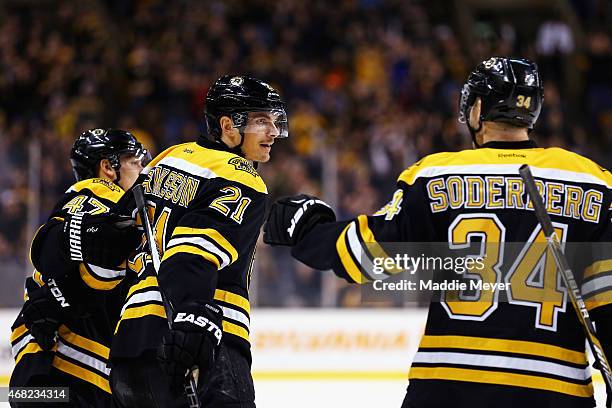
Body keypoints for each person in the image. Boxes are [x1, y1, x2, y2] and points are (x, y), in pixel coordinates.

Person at [264, 57, 612, 408]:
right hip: (553, 392)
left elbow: (366, 256)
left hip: (447, 389)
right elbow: (607, 302)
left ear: (477, 109)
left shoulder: (435, 175)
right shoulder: (594, 182)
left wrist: (307, 230)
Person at [109, 75, 288, 407]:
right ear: (228, 125)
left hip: (128, 351)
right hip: (199, 346)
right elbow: (191, 255)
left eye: (275, 122)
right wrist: (193, 316)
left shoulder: (168, 157)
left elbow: (112, 236)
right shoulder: (240, 178)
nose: (273, 132)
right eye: (262, 121)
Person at [9, 128, 148, 407]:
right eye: (135, 162)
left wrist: (56, 296)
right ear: (108, 168)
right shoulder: (100, 194)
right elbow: (101, 262)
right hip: (67, 361)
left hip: (48, 360)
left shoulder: (94, 204)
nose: (143, 170)